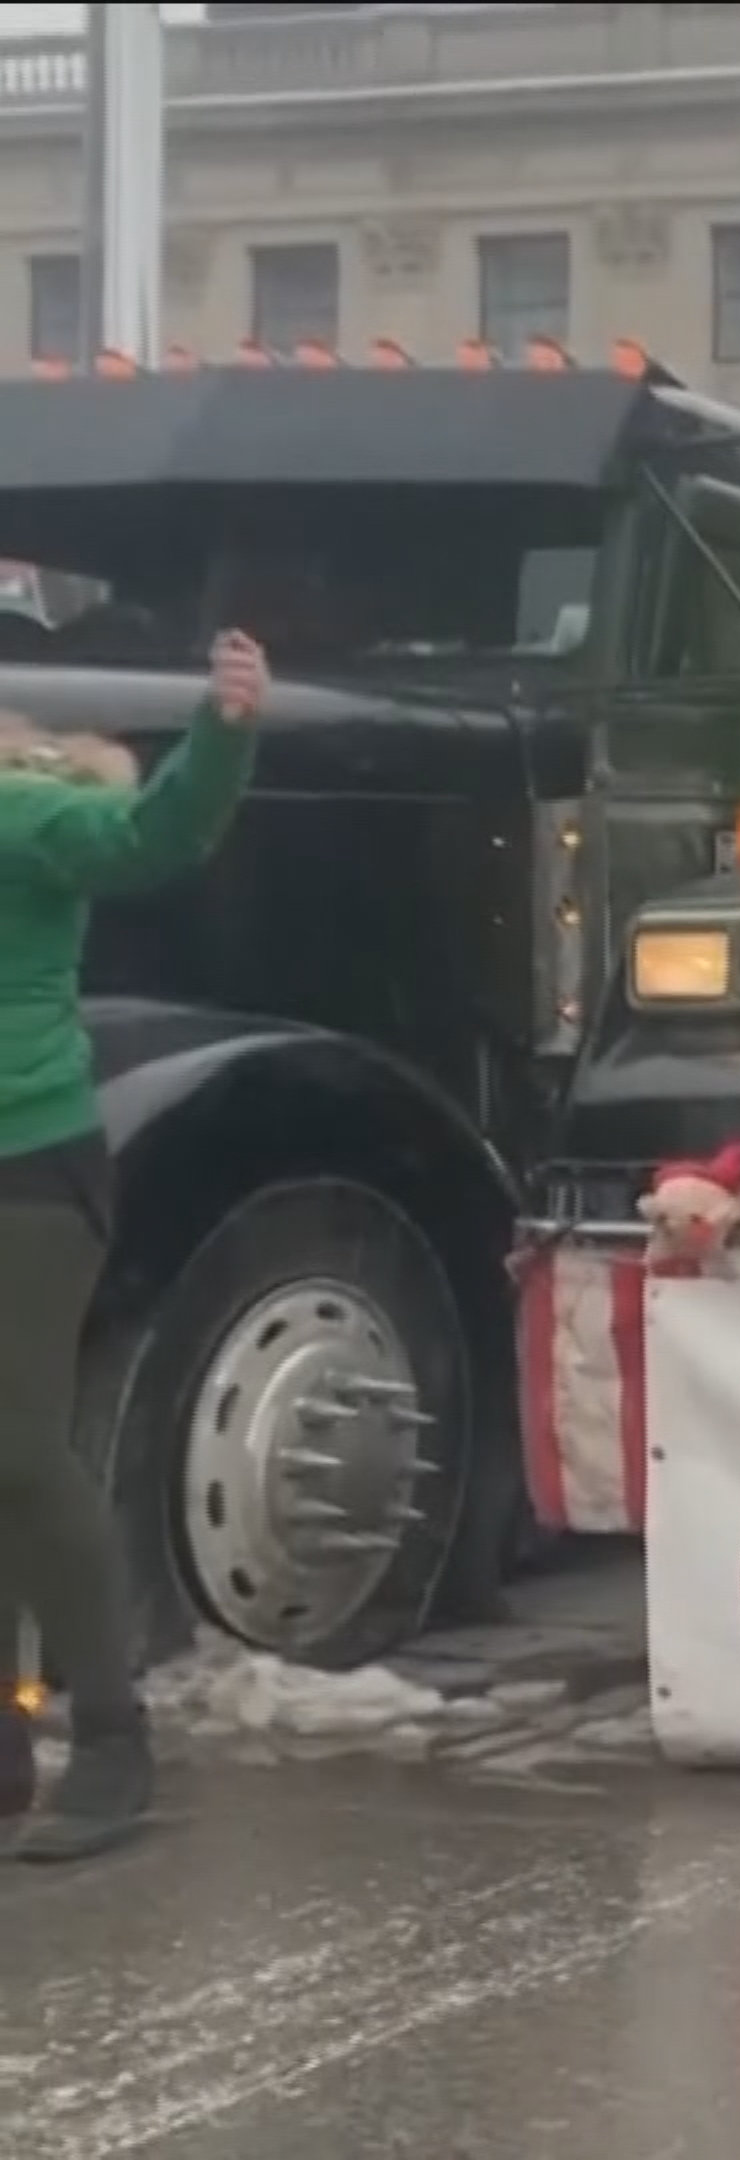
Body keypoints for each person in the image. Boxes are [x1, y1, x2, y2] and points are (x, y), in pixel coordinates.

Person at [0, 629, 271, 1864]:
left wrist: (221, 735)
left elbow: (151, 839)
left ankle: (111, 1737)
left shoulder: (24, 819)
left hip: (29, 1166)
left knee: (18, 1450)